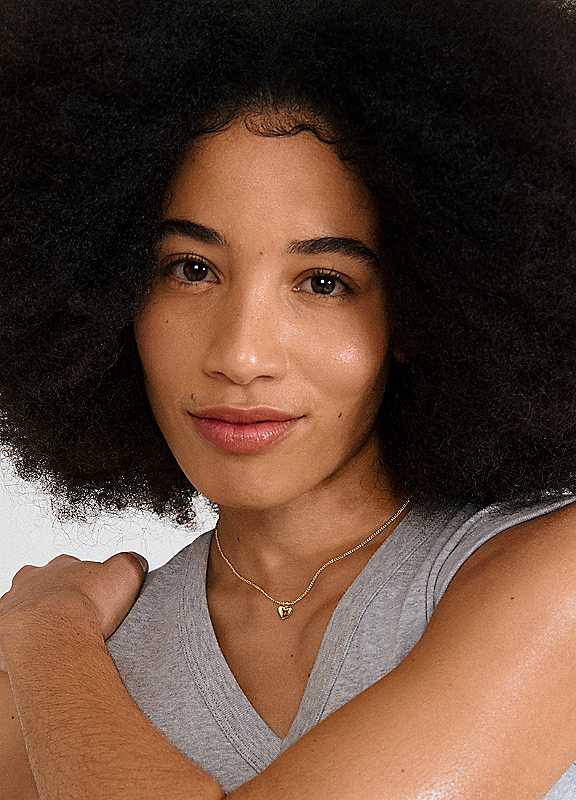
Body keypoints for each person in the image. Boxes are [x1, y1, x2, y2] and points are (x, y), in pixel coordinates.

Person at [1, 0, 576, 797]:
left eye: (324, 282)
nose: (241, 355)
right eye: (191, 269)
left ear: (421, 311)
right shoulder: (71, 678)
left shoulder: (551, 574)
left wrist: (46, 632)